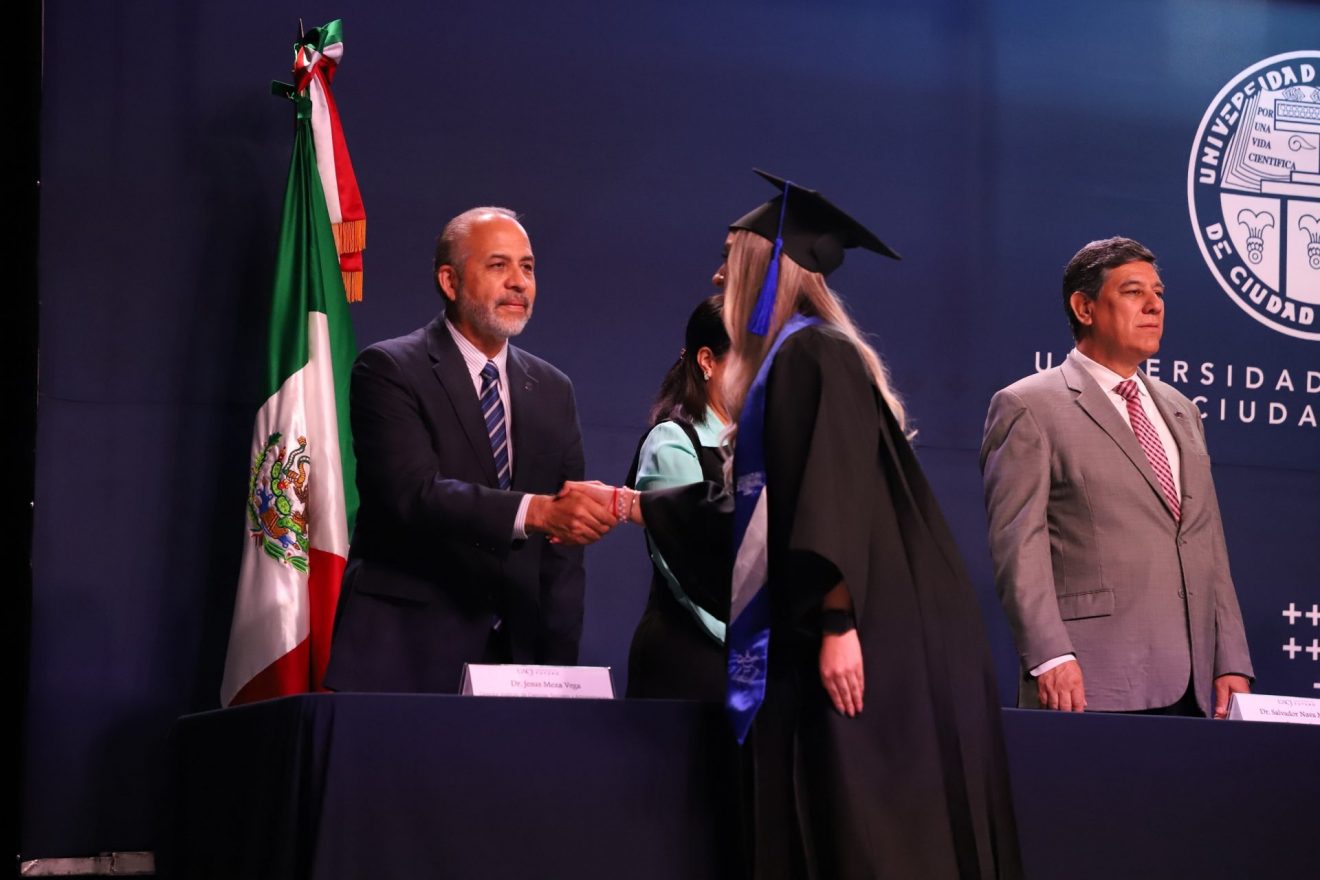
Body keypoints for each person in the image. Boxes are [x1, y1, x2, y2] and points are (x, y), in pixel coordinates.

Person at [569, 172, 1022, 879]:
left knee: (864, 830)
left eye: (730, 256)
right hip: (841, 623)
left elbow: (830, 497)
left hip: (860, 633)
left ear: (764, 268)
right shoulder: (793, 361)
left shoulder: (813, 354)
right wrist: (633, 504)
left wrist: (837, 621)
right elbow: (760, 515)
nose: (718, 274)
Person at [323, 207, 615, 694]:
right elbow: (412, 495)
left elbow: (563, 552)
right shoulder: (390, 368)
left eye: (527, 267)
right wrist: (535, 510)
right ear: (450, 281)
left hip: (517, 662)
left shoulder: (553, 388)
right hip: (405, 657)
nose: (519, 282)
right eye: (498, 265)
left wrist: (560, 670)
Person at [980, 236, 1253, 718]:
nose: (1154, 305)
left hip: (1194, 685)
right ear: (1084, 308)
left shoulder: (1182, 409)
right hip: (1088, 681)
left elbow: (1206, 540)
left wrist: (1230, 658)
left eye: (1159, 293)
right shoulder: (1028, 406)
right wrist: (1050, 656)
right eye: (1133, 292)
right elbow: (1018, 545)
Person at [624, 294, 731, 700]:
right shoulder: (672, 440)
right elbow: (688, 568)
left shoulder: (763, 444)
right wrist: (757, 644)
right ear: (707, 361)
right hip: (691, 663)